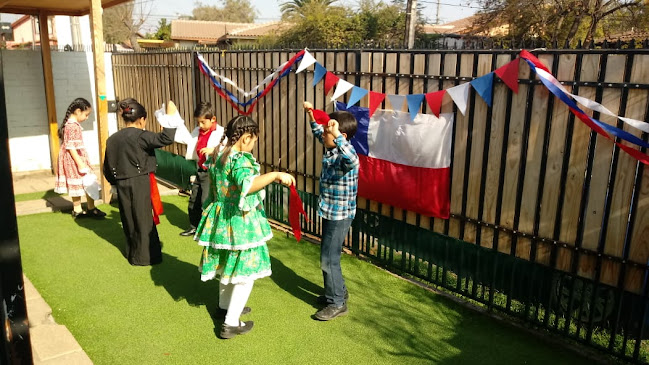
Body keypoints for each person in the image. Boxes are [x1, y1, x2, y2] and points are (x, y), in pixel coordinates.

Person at [194, 115, 295, 339]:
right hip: (239, 221)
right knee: (244, 272)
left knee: (226, 262)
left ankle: (225, 307)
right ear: (246, 137)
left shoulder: (219, 152)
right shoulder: (239, 159)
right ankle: (231, 323)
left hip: (220, 217)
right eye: (253, 140)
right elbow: (247, 185)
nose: (253, 145)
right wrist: (275, 174)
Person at [103, 98, 177, 266]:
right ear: (142, 119)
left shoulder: (112, 139)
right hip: (139, 181)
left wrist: (113, 182)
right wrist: (171, 116)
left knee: (128, 218)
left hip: (121, 182)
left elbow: (106, 166)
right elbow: (167, 138)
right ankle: (145, 257)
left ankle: (132, 253)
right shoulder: (141, 136)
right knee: (143, 218)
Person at [304, 101, 359, 321]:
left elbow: (353, 160)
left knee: (328, 259)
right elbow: (318, 132)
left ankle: (337, 302)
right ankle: (336, 292)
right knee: (328, 256)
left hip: (340, 215)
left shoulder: (344, 155)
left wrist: (335, 133)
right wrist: (311, 114)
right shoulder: (331, 147)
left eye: (329, 132)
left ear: (340, 136)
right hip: (330, 211)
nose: (324, 134)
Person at [54, 97, 106, 219]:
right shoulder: (72, 126)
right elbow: (71, 147)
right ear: (78, 111)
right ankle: (86, 208)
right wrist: (80, 164)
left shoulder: (71, 125)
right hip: (75, 158)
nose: (87, 118)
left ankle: (81, 208)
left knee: (83, 182)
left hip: (75, 157)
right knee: (85, 181)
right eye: (86, 114)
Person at [179, 102, 225, 237]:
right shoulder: (197, 131)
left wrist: (214, 150)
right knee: (194, 199)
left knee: (206, 201)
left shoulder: (221, 133)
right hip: (200, 169)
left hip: (211, 172)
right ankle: (194, 226)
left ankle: (207, 230)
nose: (200, 125)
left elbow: (228, 149)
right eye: (198, 122)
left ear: (213, 119)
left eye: (203, 122)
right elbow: (187, 140)